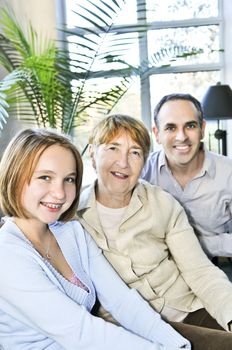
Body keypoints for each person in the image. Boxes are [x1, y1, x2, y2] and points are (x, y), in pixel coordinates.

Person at [0, 128, 191, 350]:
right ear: (14, 176)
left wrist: (177, 345)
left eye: (69, 179)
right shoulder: (6, 255)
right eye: (45, 177)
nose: (61, 193)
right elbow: (81, 332)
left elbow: (121, 301)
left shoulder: (71, 231)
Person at [77, 114, 232, 350]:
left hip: (186, 307)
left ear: (145, 161)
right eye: (113, 148)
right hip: (129, 328)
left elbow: (201, 271)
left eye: (135, 152)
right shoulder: (72, 216)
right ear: (92, 155)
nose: (124, 162)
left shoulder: (162, 203)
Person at [141, 93, 232, 260]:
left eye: (190, 126)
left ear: (202, 129)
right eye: (170, 128)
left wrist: (199, 243)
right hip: (153, 269)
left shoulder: (228, 173)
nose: (182, 137)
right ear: (157, 134)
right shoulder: (141, 170)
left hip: (206, 268)